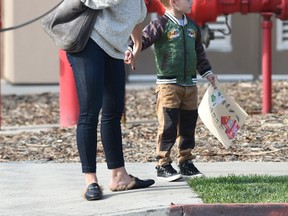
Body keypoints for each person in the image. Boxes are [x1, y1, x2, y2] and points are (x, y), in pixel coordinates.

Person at [66, 0, 155, 201]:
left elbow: (137, 19)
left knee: (114, 111)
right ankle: (91, 180)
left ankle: (119, 176)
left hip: (114, 50)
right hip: (89, 43)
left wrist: (137, 45)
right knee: (91, 110)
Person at [128, 0, 216, 182]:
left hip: (190, 85)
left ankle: (186, 161)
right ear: (174, 2)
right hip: (168, 86)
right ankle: (163, 163)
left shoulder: (193, 27)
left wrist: (207, 72)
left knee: (188, 125)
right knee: (167, 125)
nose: (192, 2)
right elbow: (141, 39)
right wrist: (130, 48)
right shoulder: (160, 25)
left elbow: (199, 52)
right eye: (188, 0)